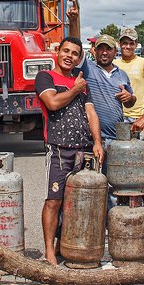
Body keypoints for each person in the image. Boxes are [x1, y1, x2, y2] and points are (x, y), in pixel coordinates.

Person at [36, 37, 103, 265]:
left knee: (76, 202)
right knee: (54, 200)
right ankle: (49, 251)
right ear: (57, 51)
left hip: (83, 150)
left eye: (75, 53)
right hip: (58, 148)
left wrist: (97, 142)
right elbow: (52, 103)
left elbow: (91, 113)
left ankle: (63, 244)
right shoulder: (46, 77)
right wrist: (75, 90)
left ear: (78, 58)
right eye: (66, 51)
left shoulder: (81, 81)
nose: (69, 56)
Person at [79, 34, 135, 148]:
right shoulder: (87, 68)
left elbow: (130, 103)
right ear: (95, 51)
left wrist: (129, 97)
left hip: (116, 139)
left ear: (115, 52)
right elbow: (76, 46)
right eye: (100, 48)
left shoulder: (122, 75)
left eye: (109, 49)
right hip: (91, 139)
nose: (104, 52)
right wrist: (74, 21)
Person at [114, 28, 144, 123]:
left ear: (136, 45)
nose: (128, 46)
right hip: (118, 117)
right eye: (124, 43)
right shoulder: (113, 63)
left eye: (131, 43)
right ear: (119, 44)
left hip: (138, 117)